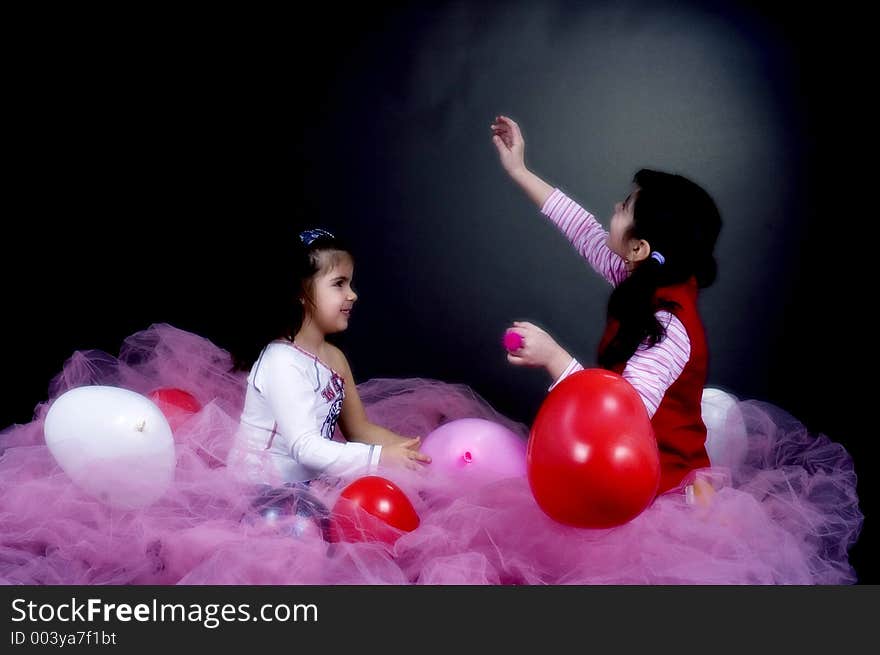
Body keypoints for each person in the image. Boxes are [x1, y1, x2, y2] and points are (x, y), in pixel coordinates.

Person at [491, 114, 721, 494]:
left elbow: (621, 422)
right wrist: (519, 169)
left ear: (639, 248)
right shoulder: (641, 276)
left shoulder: (668, 326)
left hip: (658, 486)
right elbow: (581, 228)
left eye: (625, 207)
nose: (615, 206)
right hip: (620, 465)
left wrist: (555, 359)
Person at [228, 227, 431, 488]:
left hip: (306, 485)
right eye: (339, 284)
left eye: (350, 283)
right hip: (260, 488)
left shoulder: (334, 358)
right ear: (302, 292)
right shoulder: (281, 360)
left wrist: (408, 450)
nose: (352, 294)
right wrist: (379, 457)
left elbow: (359, 430)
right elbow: (304, 446)